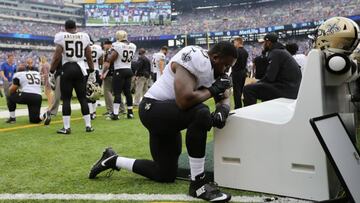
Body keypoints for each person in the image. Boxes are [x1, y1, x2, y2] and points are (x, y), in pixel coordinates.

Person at [89, 42, 237, 202]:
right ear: (215, 58)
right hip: (152, 109)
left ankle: (112, 159)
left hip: (168, 118)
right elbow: (184, 101)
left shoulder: (215, 69)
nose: (226, 70)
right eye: (226, 65)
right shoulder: (195, 57)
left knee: (164, 174)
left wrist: (223, 110)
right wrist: (213, 90)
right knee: (201, 112)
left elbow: (224, 98)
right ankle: (198, 184)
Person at [49, 19, 95, 134]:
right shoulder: (84, 36)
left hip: (67, 69)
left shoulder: (61, 36)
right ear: (76, 27)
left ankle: (66, 127)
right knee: (82, 98)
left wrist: (51, 71)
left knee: (67, 99)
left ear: (65, 28)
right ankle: (88, 125)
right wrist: (92, 70)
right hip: (80, 68)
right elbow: (89, 56)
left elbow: (57, 56)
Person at [243, 33, 302, 106]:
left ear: (268, 42)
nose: (263, 45)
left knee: (248, 89)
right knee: (262, 88)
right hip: (291, 88)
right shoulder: (281, 51)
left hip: (286, 90)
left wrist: (256, 82)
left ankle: (250, 115)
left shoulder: (275, 52)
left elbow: (270, 77)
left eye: (264, 42)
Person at [101, 30, 136, 120]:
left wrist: (103, 72)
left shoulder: (117, 45)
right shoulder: (132, 46)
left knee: (117, 92)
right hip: (129, 70)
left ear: (118, 37)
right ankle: (130, 113)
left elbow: (110, 59)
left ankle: (115, 114)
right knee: (128, 92)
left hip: (119, 70)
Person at [85, 39, 104, 120]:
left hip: (85, 70)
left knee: (88, 93)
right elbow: (100, 60)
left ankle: (90, 113)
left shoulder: (84, 46)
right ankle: (94, 112)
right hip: (95, 70)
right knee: (94, 92)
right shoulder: (98, 47)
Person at [231, 37, 248, 109]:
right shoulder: (245, 51)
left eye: (234, 42)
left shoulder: (236, 51)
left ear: (238, 42)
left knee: (236, 91)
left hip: (237, 72)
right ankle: (241, 105)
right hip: (243, 72)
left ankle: (238, 106)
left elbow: (233, 62)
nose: (234, 44)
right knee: (241, 90)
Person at [0, 53, 17, 123]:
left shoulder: (14, 65)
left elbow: (15, 73)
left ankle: (12, 117)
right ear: (8, 58)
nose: (12, 59)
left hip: (13, 83)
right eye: (11, 58)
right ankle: (12, 116)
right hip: (7, 83)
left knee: (13, 98)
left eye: (13, 58)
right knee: (8, 98)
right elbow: (1, 72)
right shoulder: (3, 64)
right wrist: (4, 77)